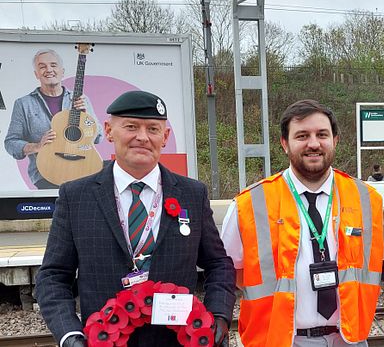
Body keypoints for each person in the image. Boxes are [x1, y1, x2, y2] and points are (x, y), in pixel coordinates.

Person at [35, 90, 236, 347]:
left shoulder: (192, 194)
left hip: (176, 342)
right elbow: (52, 276)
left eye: (153, 129)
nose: (142, 137)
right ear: (108, 131)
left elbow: (219, 264)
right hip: (103, 342)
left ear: (165, 137)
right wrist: (69, 335)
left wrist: (218, 315)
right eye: (131, 126)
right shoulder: (76, 196)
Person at [221, 99, 384, 347]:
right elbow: (230, 271)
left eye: (322, 134)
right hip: (281, 340)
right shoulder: (249, 204)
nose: (313, 144)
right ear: (285, 144)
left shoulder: (367, 199)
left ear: (335, 140)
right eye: (302, 136)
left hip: (350, 339)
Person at [4, 49, 102, 189]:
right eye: (42, 66)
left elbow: (99, 137)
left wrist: (88, 118)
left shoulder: (80, 99)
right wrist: (37, 146)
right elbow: (11, 142)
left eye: (53, 65)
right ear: (36, 74)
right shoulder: (24, 104)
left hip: (84, 173)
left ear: (62, 71)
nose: (49, 70)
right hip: (46, 175)